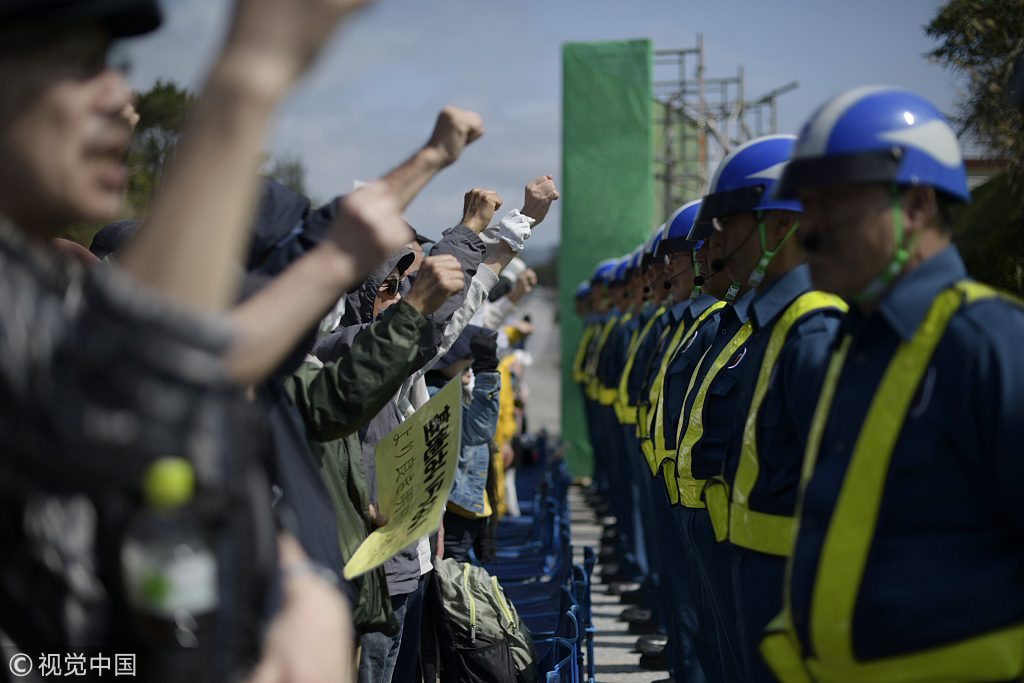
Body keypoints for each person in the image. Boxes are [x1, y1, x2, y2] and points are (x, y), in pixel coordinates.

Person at [0, 1, 413, 681]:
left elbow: (185, 357)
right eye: (78, 63)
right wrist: (252, 72)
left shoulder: (43, 288)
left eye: (116, 65)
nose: (122, 102)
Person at [758, 86, 1024, 683]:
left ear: (919, 204)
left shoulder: (989, 345)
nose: (811, 230)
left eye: (835, 204)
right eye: (806, 206)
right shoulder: (854, 348)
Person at [684, 135, 846, 683]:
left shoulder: (815, 330)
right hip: (754, 566)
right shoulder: (777, 323)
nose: (716, 241)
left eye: (727, 221)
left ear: (780, 225)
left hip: (789, 586)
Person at [425, 326, 501, 563]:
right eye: (465, 355)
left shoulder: (455, 390)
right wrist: (487, 372)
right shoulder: (432, 394)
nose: (472, 361)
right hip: (453, 514)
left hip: (465, 511)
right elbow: (477, 431)